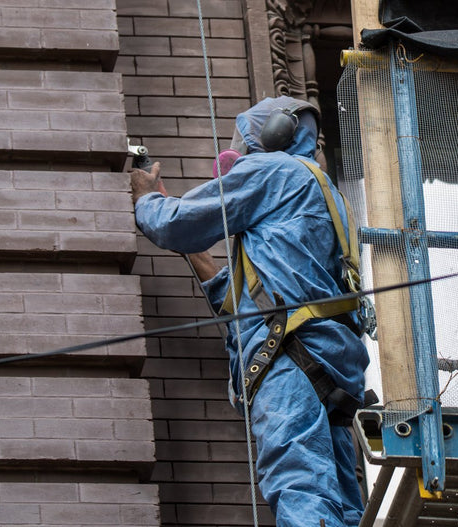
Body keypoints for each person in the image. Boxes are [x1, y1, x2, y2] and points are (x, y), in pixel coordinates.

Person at [130, 96, 369, 526]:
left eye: (243, 143)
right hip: (330, 360)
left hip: (291, 357)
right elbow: (253, 295)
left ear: (275, 134)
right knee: (340, 496)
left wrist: (149, 201)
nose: (237, 156)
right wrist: (197, 253)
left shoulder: (270, 171)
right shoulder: (322, 190)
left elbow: (174, 224)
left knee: (298, 481)